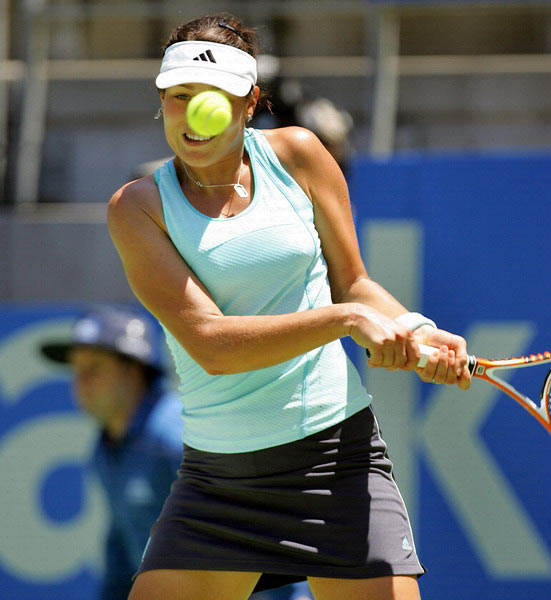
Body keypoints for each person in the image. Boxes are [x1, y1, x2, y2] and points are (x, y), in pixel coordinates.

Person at [107, 13, 471, 600]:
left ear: (251, 101)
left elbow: (354, 283)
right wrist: (347, 322)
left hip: (336, 460)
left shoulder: (300, 155)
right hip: (219, 484)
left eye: (213, 98)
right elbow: (210, 343)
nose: (192, 115)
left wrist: (416, 329)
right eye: (178, 97)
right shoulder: (138, 207)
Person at [40, 305, 184, 600]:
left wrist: (292, 593)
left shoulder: (177, 435)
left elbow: (251, 523)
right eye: (77, 370)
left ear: (133, 370)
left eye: (93, 369)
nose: (80, 383)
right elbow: (122, 548)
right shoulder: (104, 448)